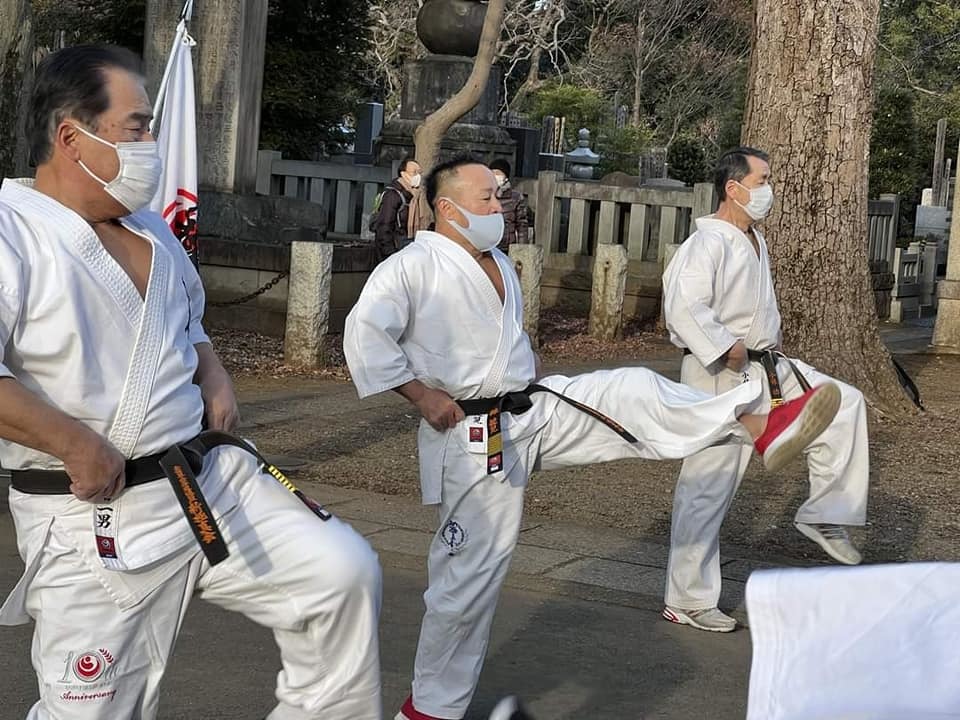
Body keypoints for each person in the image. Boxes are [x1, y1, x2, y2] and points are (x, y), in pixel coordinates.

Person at [343, 155, 843, 720]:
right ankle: (429, 710)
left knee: (628, 389)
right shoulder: (413, 265)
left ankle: (757, 424)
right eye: (485, 197)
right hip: (470, 433)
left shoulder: (501, 265)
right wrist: (422, 396)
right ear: (447, 207)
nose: (497, 205)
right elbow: (364, 336)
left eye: (499, 194)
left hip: (529, 412)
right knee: (467, 583)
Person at [0, 45, 382, 719]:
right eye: (138, 126)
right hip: (93, 511)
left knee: (339, 576)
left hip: (203, 478)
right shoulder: (12, 232)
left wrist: (213, 370)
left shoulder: (148, 226)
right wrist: (74, 445)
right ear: (70, 137)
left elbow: (187, 318)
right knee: (92, 710)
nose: (152, 142)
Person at [660, 146, 869, 634]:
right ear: (733, 188)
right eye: (762, 180)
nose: (769, 190)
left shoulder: (755, 240)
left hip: (765, 366)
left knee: (846, 402)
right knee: (708, 485)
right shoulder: (707, 242)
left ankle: (825, 510)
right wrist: (725, 348)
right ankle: (687, 599)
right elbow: (684, 306)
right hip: (718, 372)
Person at [373, 156, 423, 262]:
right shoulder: (392, 195)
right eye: (414, 173)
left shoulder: (415, 195)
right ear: (403, 174)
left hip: (408, 245)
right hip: (395, 247)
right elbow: (384, 225)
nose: (418, 176)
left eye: (420, 173)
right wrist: (389, 253)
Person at [488, 158, 528, 252]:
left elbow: (522, 225)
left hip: (507, 246)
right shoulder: (484, 195)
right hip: (488, 245)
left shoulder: (516, 197)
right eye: (492, 172)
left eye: (498, 173)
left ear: (506, 177)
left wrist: (522, 249)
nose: (494, 176)